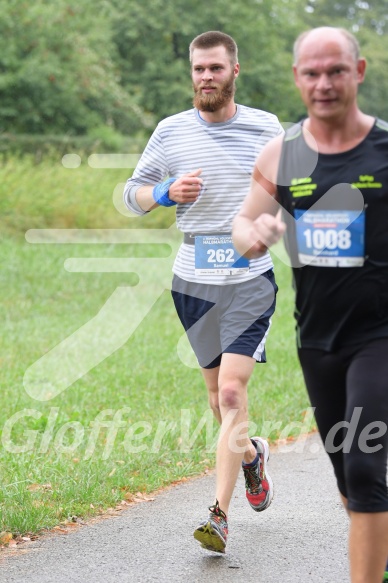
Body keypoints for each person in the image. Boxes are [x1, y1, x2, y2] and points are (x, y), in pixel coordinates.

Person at [232, 26, 388, 583]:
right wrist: (257, 233)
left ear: (359, 72)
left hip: (380, 335)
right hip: (318, 338)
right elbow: (243, 221)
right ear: (298, 78)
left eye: (336, 71)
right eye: (313, 73)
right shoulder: (284, 153)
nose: (325, 83)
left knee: (369, 466)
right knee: (350, 477)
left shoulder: (384, 149)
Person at [123, 31, 283, 553]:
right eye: (198, 69)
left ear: (236, 70)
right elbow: (130, 196)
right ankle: (252, 456)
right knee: (217, 399)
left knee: (234, 392)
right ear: (191, 73)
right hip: (192, 276)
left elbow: (292, 191)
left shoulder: (266, 127)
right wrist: (164, 193)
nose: (206, 77)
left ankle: (218, 516)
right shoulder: (170, 132)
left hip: (248, 278)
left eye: (216, 67)